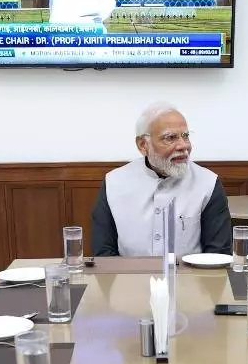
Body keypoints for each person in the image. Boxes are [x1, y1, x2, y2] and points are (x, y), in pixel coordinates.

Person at [91, 102, 232, 257]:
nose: (183, 146)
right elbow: (103, 252)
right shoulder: (114, 183)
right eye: (170, 138)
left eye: (185, 136)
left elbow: (218, 254)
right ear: (143, 145)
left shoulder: (208, 183)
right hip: (128, 278)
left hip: (189, 279)